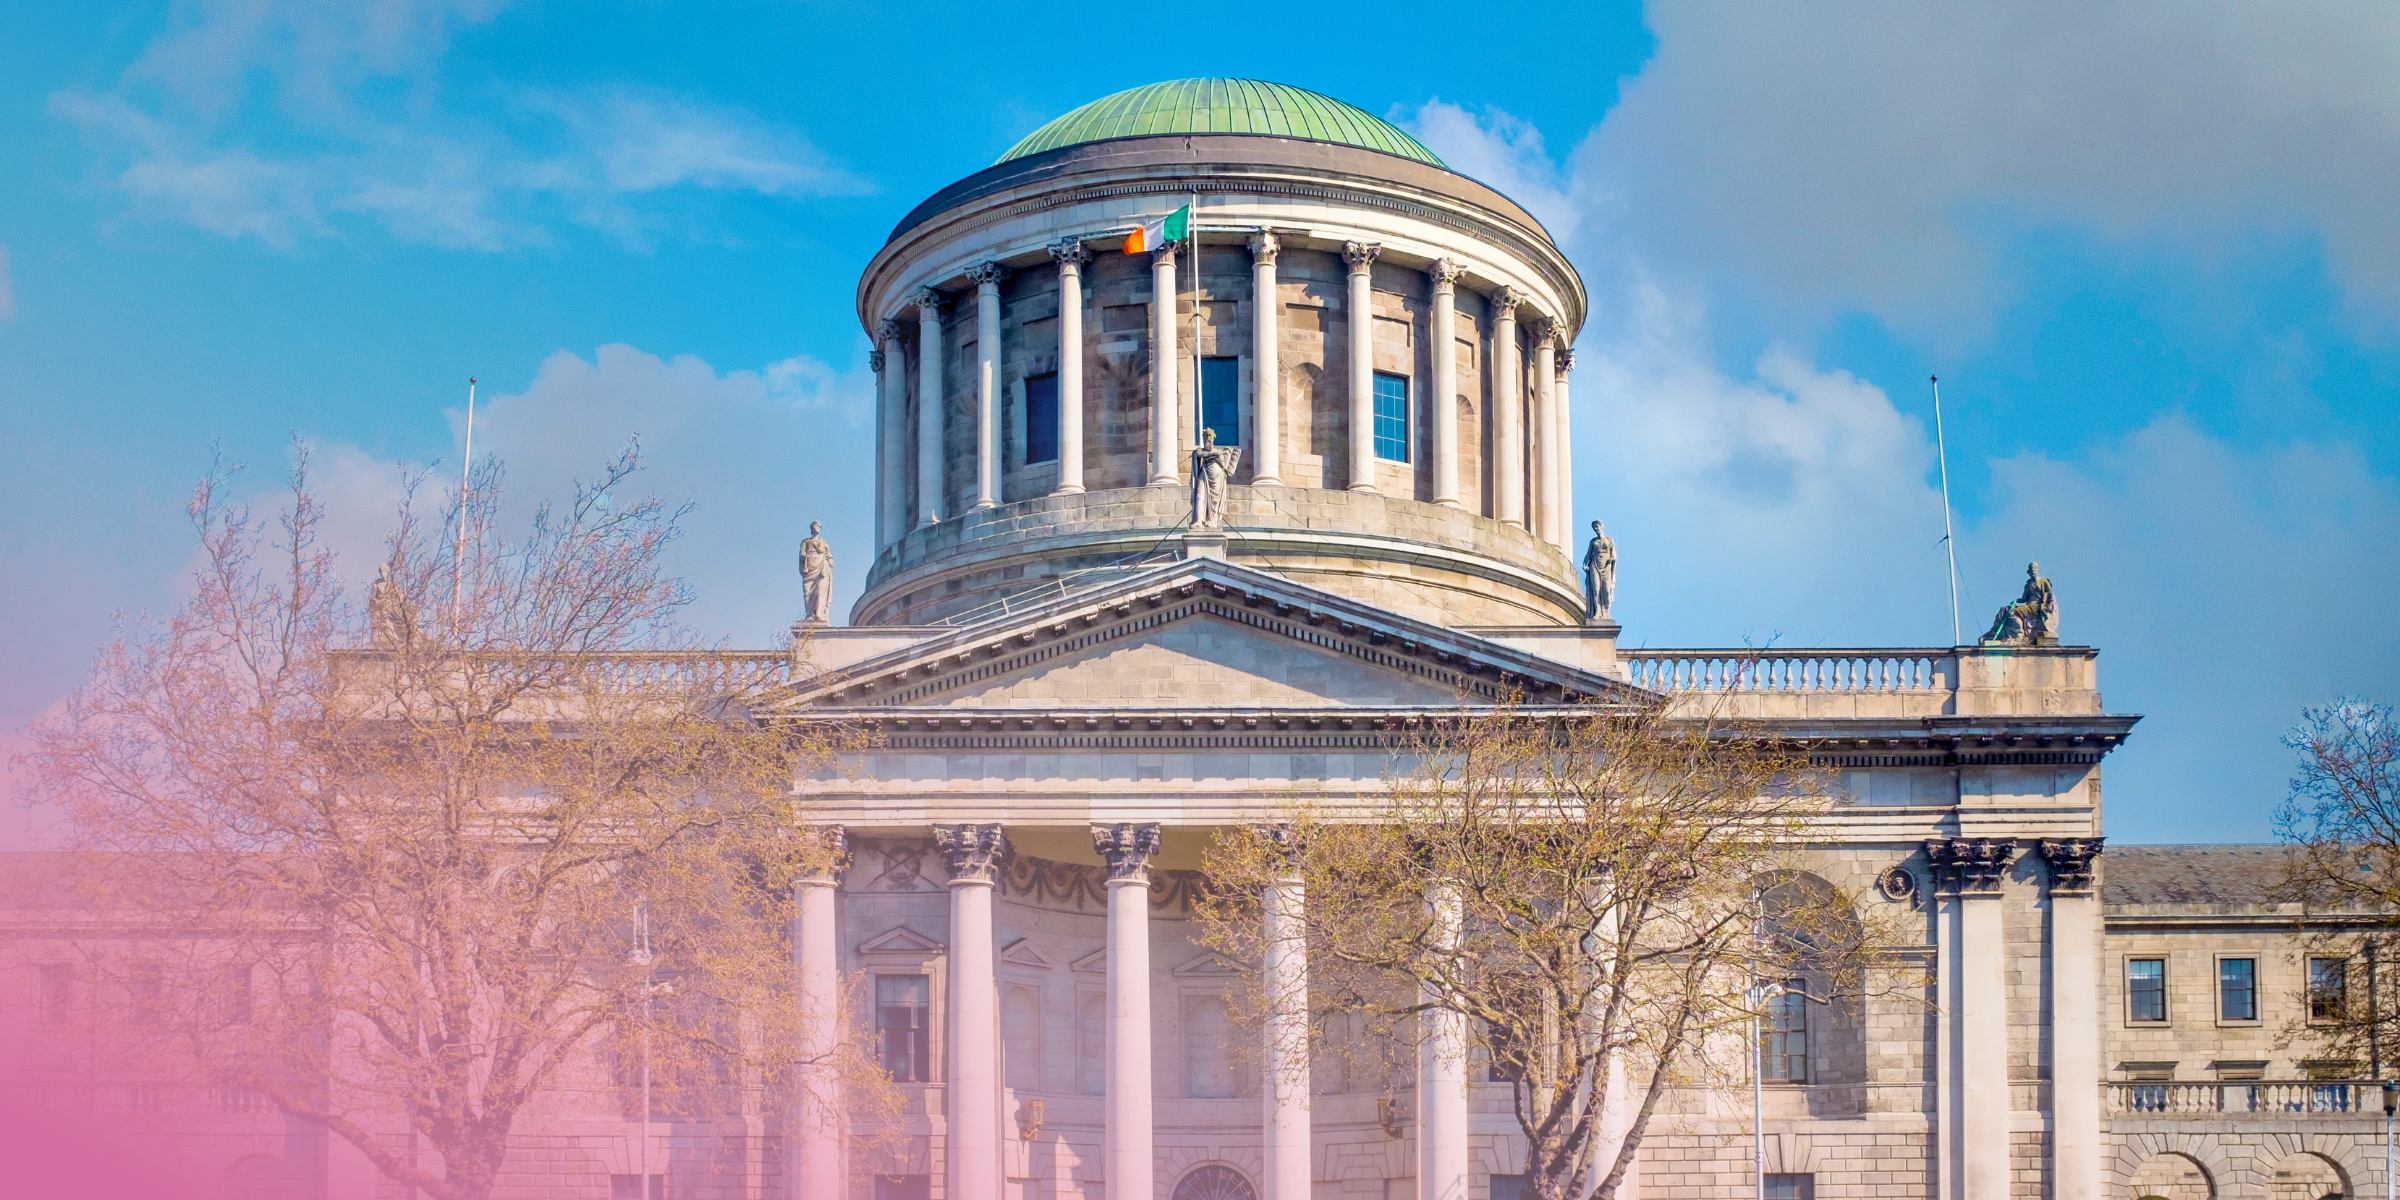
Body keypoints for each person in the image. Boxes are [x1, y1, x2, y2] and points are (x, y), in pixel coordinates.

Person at [1190, 427, 1241, 529]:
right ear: (1203, 438)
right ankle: (1199, 520)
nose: (1208, 438)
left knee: (1214, 500)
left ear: (1213, 438)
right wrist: (1203, 454)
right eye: (1206, 436)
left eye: (1209, 436)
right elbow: (1197, 454)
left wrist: (1209, 454)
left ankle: (1212, 521)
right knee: (1199, 496)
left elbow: (1221, 459)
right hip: (1204, 473)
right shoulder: (1199, 452)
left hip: (1216, 477)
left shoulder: (1219, 451)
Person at [1581, 519, 1617, 622]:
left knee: (1606, 590)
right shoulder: (1593, 542)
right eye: (1594, 528)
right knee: (1596, 589)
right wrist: (1584, 565)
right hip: (1594, 565)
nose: (1596, 529)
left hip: (1606, 567)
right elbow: (1588, 555)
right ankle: (1597, 612)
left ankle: (1606, 613)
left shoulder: (1609, 540)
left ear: (1602, 527)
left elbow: (1613, 553)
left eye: (1597, 527)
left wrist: (1612, 559)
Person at [798, 521, 834, 623]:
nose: (818, 528)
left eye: (820, 526)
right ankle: (810, 614)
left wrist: (828, 557)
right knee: (808, 592)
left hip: (822, 567)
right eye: (816, 526)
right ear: (812, 527)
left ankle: (819, 613)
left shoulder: (823, 543)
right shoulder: (806, 542)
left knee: (821, 590)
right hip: (810, 567)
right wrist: (805, 559)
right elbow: (802, 554)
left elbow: (830, 558)